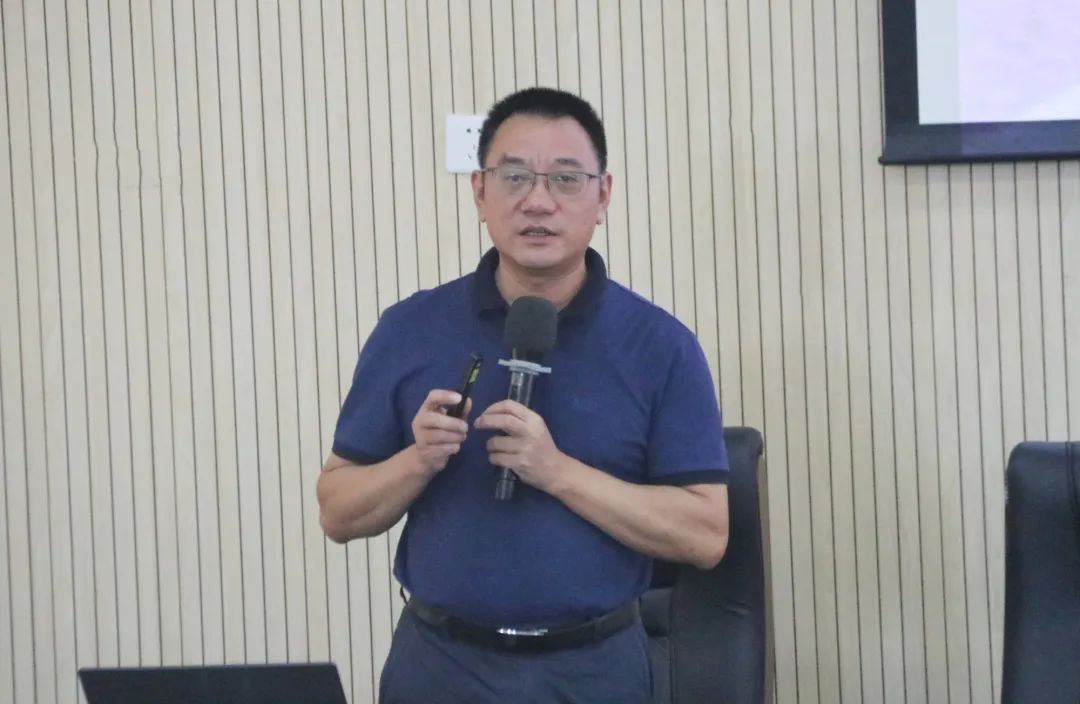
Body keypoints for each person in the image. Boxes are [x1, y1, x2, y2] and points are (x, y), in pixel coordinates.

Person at [317, 87, 730, 704]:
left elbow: (705, 535)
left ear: (603, 196)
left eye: (566, 178)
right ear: (480, 192)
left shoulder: (661, 346)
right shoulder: (409, 329)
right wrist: (417, 460)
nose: (538, 200)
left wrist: (557, 472)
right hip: (439, 668)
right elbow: (337, 511)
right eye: (514, 177)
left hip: (595, 672)